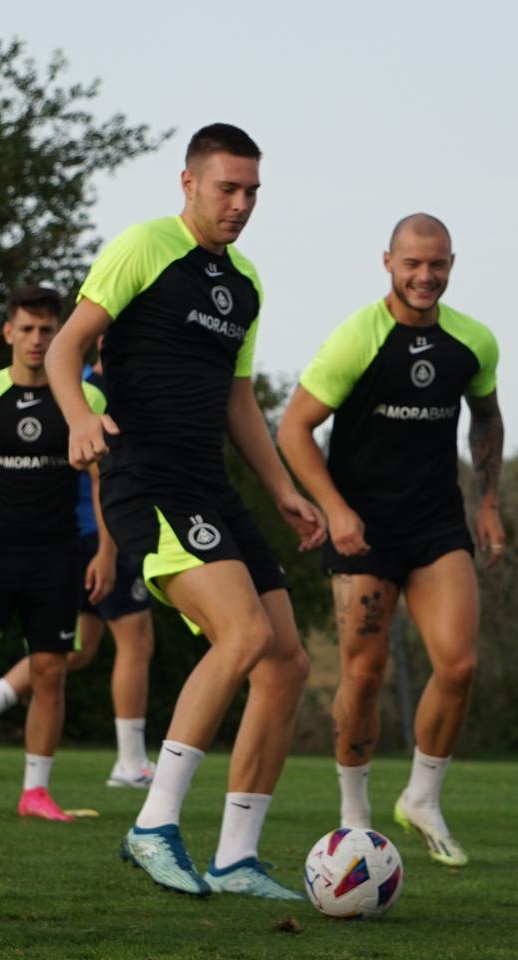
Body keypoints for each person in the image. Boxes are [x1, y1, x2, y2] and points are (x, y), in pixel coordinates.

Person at [47, 123, 326, 899]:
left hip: (210, 486)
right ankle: (153, 823)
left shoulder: (246, 284)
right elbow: (66, 347)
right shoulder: (145, 246)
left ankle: (236, 860)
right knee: (244, 634)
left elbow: (239, 400)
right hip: (146, 479)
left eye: (252, 192)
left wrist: (283, 489)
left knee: (286, 662)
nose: (240, 204)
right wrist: (77, 418)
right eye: (227, 188)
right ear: (189, 183)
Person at [277, 214, 503, 867]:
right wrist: (335, 510)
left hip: (437, 526)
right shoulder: (357, 339)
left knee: (459, 665)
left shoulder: (473, 341)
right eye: (412, 264)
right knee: (364, 673)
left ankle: (422, 799)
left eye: (437, 264)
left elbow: (486, 418)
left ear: (452, 264)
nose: (424, 276)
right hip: (363, 531)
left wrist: (489, 503)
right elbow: (293, 428)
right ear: (388, 263)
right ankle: (354, 817)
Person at [0, 345, 158, 791]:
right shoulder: (85, 390)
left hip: (87, 534)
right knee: (136, 638)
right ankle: (131, 762)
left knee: (73, 652)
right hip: (91, 531)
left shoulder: (94, 386)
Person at [0, 285, 113, 820]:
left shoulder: (85, 400)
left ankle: (35, 791)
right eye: (28, 329)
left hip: (57, 555)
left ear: (62, 336)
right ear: (9, 332)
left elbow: (103, 482)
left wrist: (106, 551)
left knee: (50, 671)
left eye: (48, 330)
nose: (37, 339)